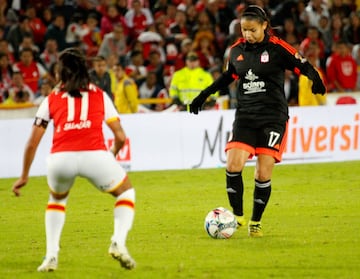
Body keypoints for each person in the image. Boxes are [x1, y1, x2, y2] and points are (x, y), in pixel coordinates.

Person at [189, 5, 326, 237]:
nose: (247, 34)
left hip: (273, 117)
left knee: (263, 173)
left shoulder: (277, 47)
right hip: (245, 116)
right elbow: (227, 76)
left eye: (252, 30)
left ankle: (256, 222)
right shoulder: (236, 51)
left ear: (264, 26)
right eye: (244, 30)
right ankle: (238, 216)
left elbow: (301, 64)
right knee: (233, 165)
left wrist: (315, 79)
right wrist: (204, 95)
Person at [11, 47, 136, 272]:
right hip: (95, 155)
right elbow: (120, 136)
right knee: (126, 193)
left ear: (61, 73)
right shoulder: (99, 94)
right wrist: (111, 156)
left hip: (60, 159)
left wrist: (24, 176)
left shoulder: (51, 99)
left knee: (57, 201)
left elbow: (32, 143)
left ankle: (50, 257)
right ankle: (118, 242)